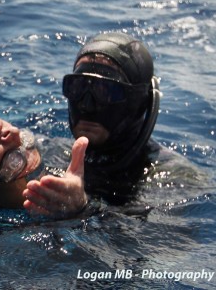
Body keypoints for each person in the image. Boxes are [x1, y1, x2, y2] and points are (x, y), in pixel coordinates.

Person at [23, 32, 209, 218]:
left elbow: (159, 241)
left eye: (106, 91)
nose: (87, 105)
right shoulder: (50, 152)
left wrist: (82, 209)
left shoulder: (176, 178)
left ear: (138, 104)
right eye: (78, 87)